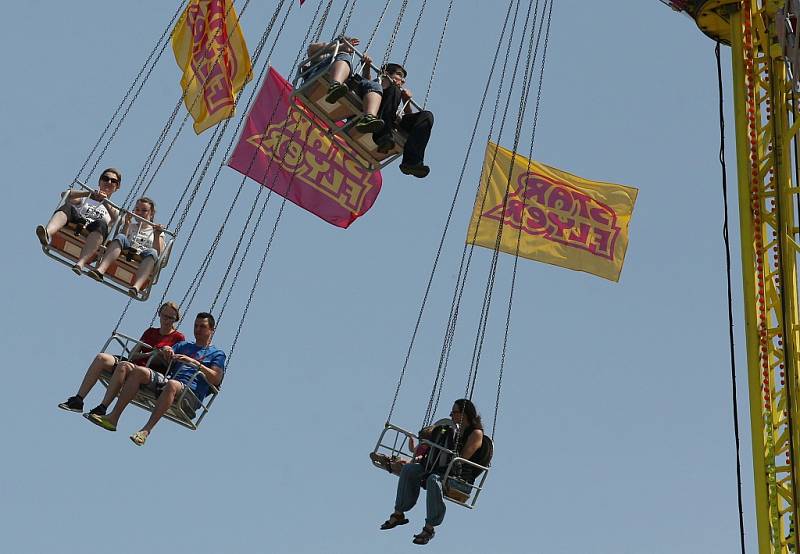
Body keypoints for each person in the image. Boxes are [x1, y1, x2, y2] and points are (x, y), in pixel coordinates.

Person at [86, 312, 226, 447]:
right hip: (171, 382)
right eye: (196, 326)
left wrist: (194, 363)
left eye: (202, 326)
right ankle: (113, 418)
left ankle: (145, 431)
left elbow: (216, 378)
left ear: (212, 330)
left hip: (190, 393)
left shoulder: (217, 354)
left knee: (172, 384)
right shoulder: (185, 346)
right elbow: (163, 354)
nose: (197, 330)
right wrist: (165, 350)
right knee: (139, 372)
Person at [380, 399, 489, 545]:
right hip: (443, 470)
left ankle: (429, 528)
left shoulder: (476, 433)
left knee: (433, 480)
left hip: (460, 479)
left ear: (464, 414)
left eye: (454, 412)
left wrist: (445, 450)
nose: (451, 415)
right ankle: (399, 513)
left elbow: (461, 458)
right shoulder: (455, 430)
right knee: (409, 470)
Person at [57, 302, 185, 416]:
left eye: (170, 318)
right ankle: (78, 400)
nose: (166, 320)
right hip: (135, 363)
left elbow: (171, 364)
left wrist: (159, 354)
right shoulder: (150, 332)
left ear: (175, 319)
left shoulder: (178, 338)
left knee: (123, 366)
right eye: (164, 316)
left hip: (149, 372)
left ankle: (102, 407)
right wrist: (149, 354)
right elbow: (132, 355)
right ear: (159, 314)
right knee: (101, 358)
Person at [36, 168, 122, 275]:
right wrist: (88, 193)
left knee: (101, 224)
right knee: (67, 207)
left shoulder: (114, 210)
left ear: (117, 187)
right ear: (100, 181)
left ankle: (80, 263)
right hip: (78, 221)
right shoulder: (86, 197)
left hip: (94, 230)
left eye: (113, 181)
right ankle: (47, 233)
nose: (108, 182)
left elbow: (117, 219)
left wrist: (104, 201)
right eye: (105, 179)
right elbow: (65, 195)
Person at [365, 62, 434, 179]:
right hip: (376, 112)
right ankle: (383, 137)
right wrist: (366, 67)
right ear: (386, 74)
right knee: (394, 90)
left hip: (392, 120)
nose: (403, 81)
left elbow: (410, 119)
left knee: (427, 116)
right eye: (399, 75)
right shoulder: (377, 88)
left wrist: (406, 101)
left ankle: (412, 161)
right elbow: (365, 83)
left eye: (403, 78)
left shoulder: (396, 94)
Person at [86, 196, 165, 298]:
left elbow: (158, 253)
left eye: (144, 210)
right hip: (127, 251)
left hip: (144, 256)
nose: (140, 213)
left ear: (152, 213)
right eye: (137, 210)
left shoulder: (157, 232)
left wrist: (158, 234)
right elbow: (121, 239)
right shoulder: (131, 226)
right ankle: (100, 270)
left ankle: (135, 287)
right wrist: (127, 224)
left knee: (152, 253)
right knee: (120, 236)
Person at [306, 37, 386, 134]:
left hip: (343, 88)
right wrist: (340, 47)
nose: (349, 46)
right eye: (347, 43)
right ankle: (335, 85)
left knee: (374, 85)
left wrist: (366, 67)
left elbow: (367, 86)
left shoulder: (346, 69)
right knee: (343, 56)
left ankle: (369, 117)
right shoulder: (324, 57)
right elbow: (311, 48)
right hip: (317, 80)